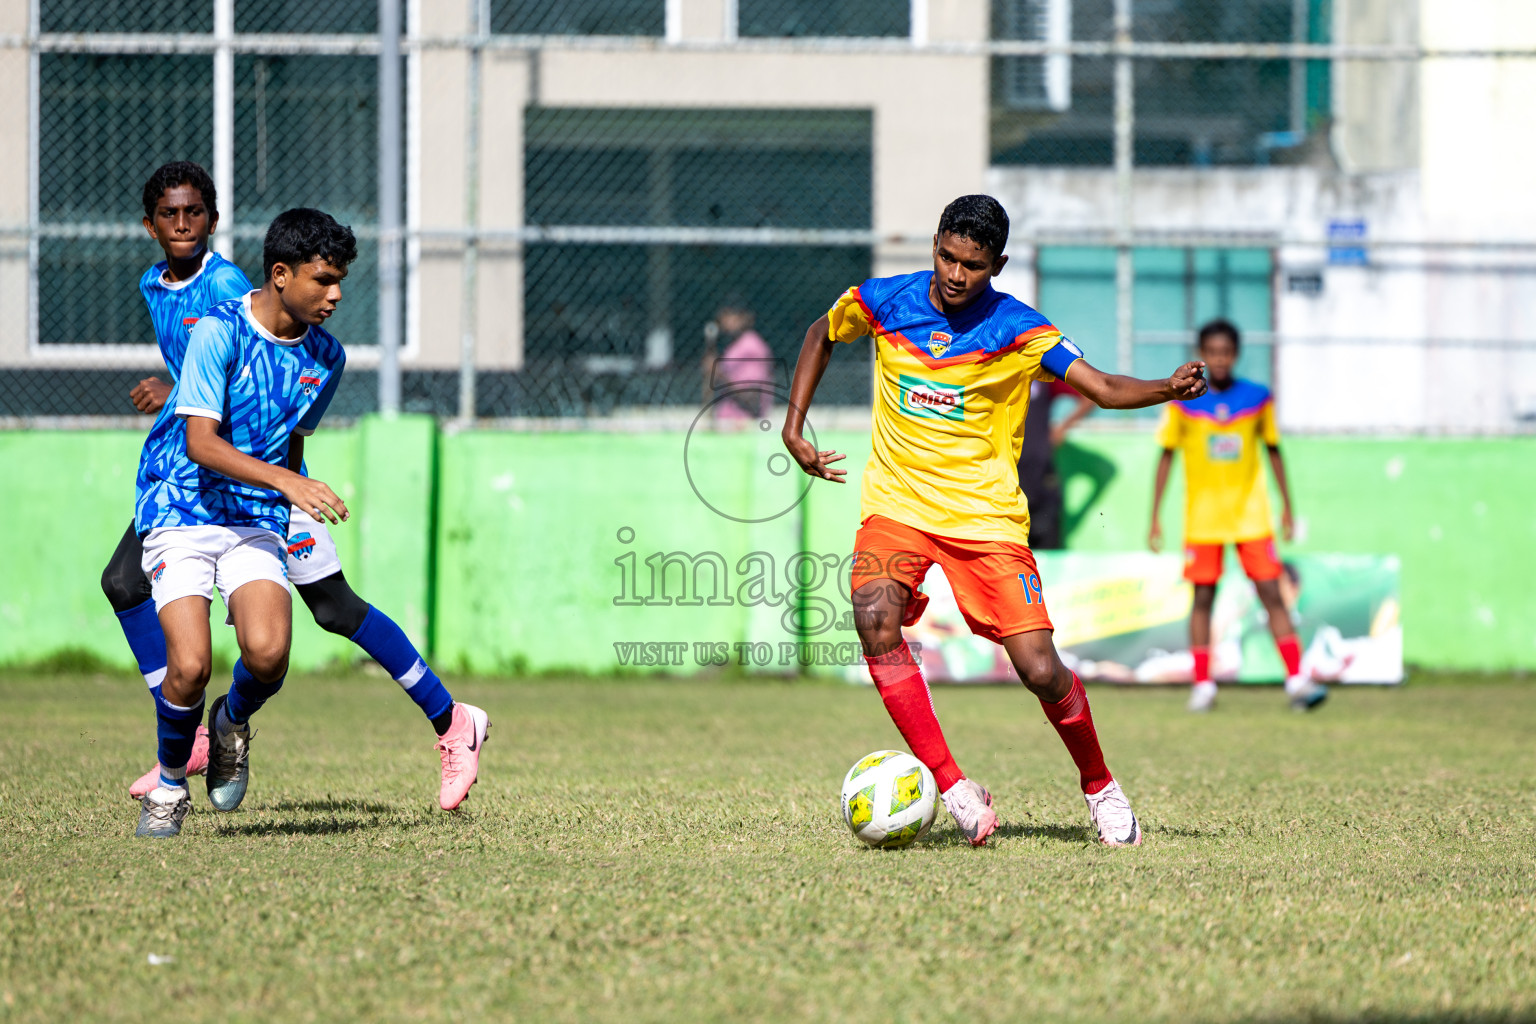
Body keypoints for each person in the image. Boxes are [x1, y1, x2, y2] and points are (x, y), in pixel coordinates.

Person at [781, 194, 1209, 848]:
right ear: (934, 245)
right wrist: (794, 426)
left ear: (998, 264)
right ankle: (952, 785)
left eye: (973, 265)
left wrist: (1166, 388)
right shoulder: (881, 300)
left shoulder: (1020, 330)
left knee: (1039, 667)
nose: (955, 274)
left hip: (985, 520)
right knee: (873, 616)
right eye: (947, 257)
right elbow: (820, 333)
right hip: (898, 506)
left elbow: (1100, 387)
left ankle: (1100, 786)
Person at [102, 164, 488, 812]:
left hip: (256, 484)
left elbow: (270, 413)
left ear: (214, 220)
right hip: (199, 477)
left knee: (333, 608)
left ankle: (451, 722)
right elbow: (203, 384)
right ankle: (199, 735)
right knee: (127, 582)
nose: (182, 225)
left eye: (194, 213)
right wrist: (186, 395)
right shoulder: (157, 285)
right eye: (170, 215)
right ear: (150, 224)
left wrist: (284, 491)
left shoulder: (234, 289)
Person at [1148, 318, 1327, 713]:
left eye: (1226, 352)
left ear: (1236, 354)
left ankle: (1297, 679)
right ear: (1203, 356)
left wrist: (1288, 508)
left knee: (1271, 594)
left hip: (1251, 516)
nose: (1220, 359)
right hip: (1203, 519)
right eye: (1212, 353)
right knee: (1203, 599)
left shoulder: (1259, 398)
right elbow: (1166, 456)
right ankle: (1203, 684)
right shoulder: (1182, 400)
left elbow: (1274, 451)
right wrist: (1156, 516)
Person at [1016, 379, 1095, 549]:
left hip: (1042, 482)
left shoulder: (1042, 372)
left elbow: (1091, 396)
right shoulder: (994, 370)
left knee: (1048, 555)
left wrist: (1063, 428)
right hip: (1007, 483)